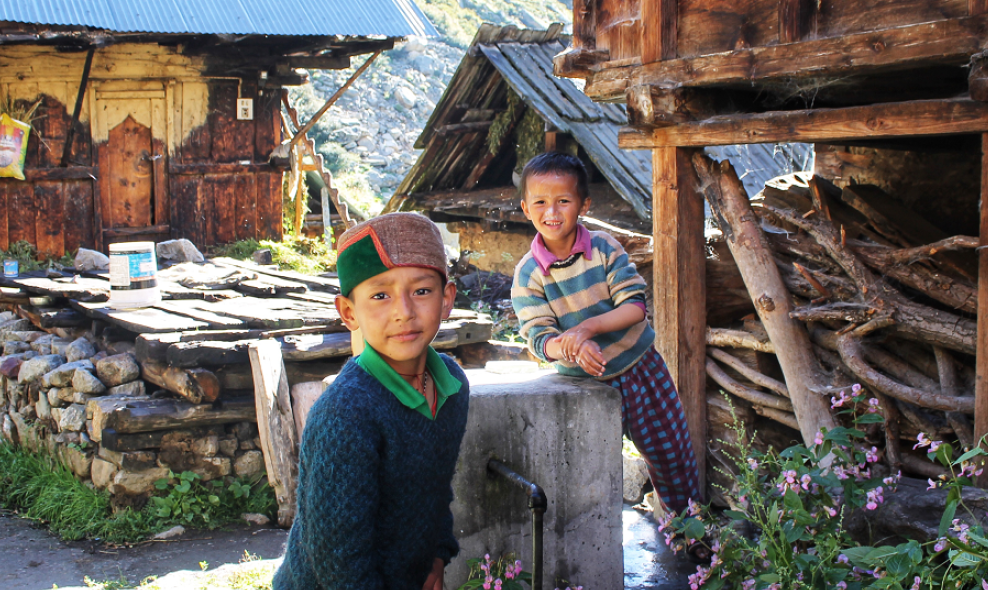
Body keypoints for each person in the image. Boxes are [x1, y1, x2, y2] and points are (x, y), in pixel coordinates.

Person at [273, 212, 469, 590]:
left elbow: (435, 490)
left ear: (447, 300)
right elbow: (338, 563)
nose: (404, 312)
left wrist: (437, 557)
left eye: (422, 291)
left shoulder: (451, 386)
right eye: (380, 295)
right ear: (349, 312)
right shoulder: (346, 414)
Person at [511, 151, 703, 514]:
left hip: (642, 369)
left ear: (584, 204)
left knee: (672, 456)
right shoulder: (528, 275)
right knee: (586, 471)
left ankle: (688, 530)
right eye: (540, 202)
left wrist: (585, 329)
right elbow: (540, 340)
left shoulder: (603, 249)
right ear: (525, 208)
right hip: (587, 385)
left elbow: (634, 307)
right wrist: (570, 348)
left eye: (563, 201)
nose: (551, 212)